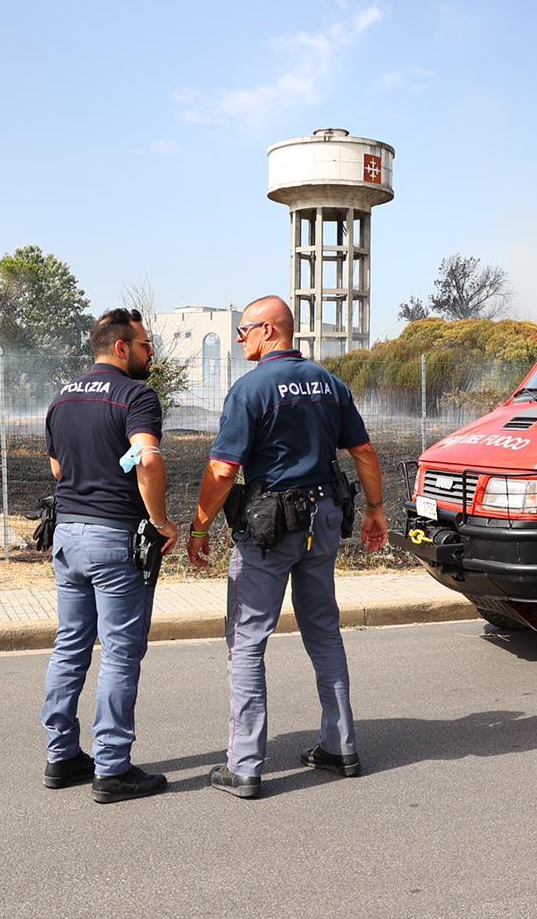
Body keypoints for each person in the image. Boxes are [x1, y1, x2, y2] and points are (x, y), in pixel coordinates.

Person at [188, 295, 389, 799]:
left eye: (244, 330)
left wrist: (199, 526)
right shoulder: (328, 382)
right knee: (324, 630)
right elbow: (363, 450)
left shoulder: (250, 389)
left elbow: (222, 470)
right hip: (323, 520)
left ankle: (246, 765)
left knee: (247, 639)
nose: (239, 339)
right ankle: (340, 746)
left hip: (270, 526)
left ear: (270, 331)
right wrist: (376, 508)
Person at [41, 308, 180, 804]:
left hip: (67, 537)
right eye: (145, 345)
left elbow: (58, 468)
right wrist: (161, 520)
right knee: (121, 652)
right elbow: (147, 457)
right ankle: (112, 767)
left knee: (71, 645)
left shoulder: (62, 398)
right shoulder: (136, 395)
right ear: (121, 347)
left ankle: (61, 756)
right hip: (113, 538)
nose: (151, 353)